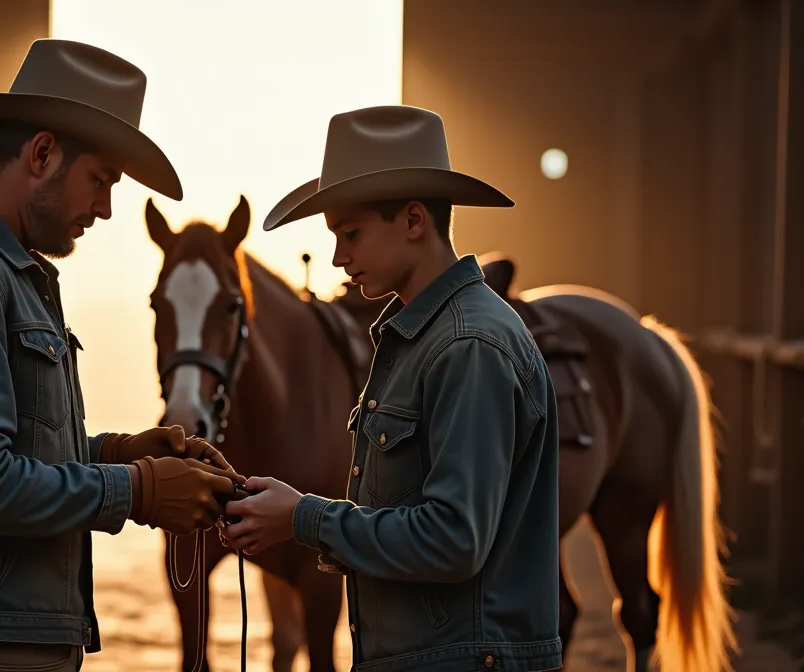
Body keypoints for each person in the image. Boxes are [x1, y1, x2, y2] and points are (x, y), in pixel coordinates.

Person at [0, 39, 244, 672]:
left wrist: (121, 453)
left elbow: (9, 456)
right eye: (100, 181)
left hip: (7, 637)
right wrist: (139, 492)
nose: (105, 208)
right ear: (41, 154)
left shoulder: (1, 272)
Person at [220, 105, 563, 672]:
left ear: (412, 221)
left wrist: (304, 517)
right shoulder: (419, 337)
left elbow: (454, 539)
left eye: (350, 234)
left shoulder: (467, 345)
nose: (338, 257)